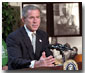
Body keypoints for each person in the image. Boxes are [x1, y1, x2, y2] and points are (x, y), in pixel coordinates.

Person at [6, 5, 55, 70]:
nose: (35, 21)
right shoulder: (13, 37)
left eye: (37, 17)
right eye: (31, 18)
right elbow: (15, 61)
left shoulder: (43, 35)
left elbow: (48, 56)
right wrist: (35, 64)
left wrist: (48, 61)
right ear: (23, 20)